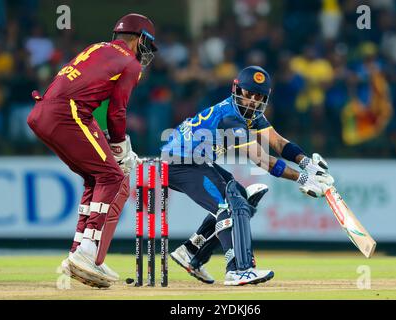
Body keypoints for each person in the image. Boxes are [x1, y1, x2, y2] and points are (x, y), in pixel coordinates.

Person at [161, 66, 334, 286]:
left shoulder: (251, 115)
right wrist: (302, 179)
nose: (252, 100)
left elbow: (279, 143)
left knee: (239, 196)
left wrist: (308, 164)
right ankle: (238, 270)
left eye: (258, 96)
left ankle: (190, 252)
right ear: (237, 90)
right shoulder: (231, 118)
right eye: (248, 94)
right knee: (230, 207)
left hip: (196, 161)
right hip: (179, 163)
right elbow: (261, 160)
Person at [26, 13, 157, 288]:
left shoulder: (97, 47)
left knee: (95, 177)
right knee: (112, 177)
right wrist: (120, 145)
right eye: (148, 45)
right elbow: (117, 111)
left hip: (44, 111)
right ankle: (88, 250)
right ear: (141, 39)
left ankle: (79, 250)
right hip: (67, 114)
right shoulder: (130, 64)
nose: (147, 53)